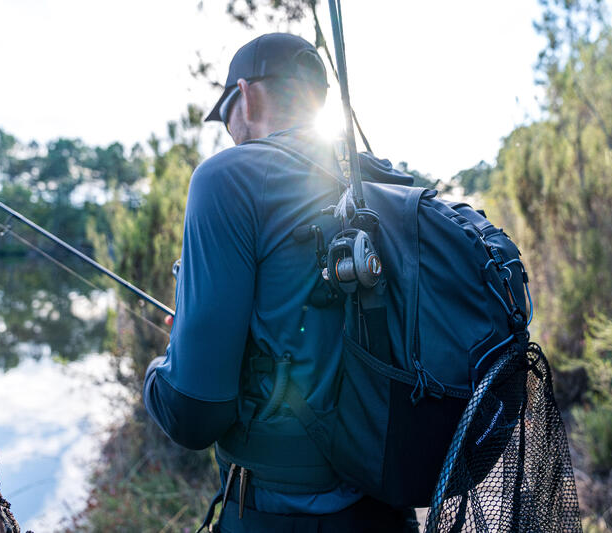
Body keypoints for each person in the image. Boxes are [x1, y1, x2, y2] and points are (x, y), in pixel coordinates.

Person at [142, 33, 420, 532]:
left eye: (225, 112)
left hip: (278, 517)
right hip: (390, 507)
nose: (228, 131)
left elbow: (194, 415)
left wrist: (157, 371)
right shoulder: (381, 179)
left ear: (245, 96)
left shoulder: (226, 178)